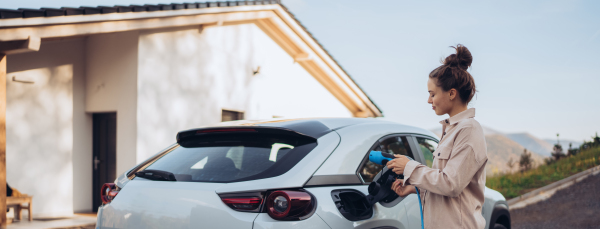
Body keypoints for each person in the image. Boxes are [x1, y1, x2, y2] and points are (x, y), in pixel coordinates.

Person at [386, 44, 488, 229]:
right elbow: (445, 184)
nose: (428, 100)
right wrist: (416, 188)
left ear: (451, 94)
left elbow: (451, 184)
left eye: (432, 94)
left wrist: (409, 167)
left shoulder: (469, 130)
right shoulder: (450, 130)